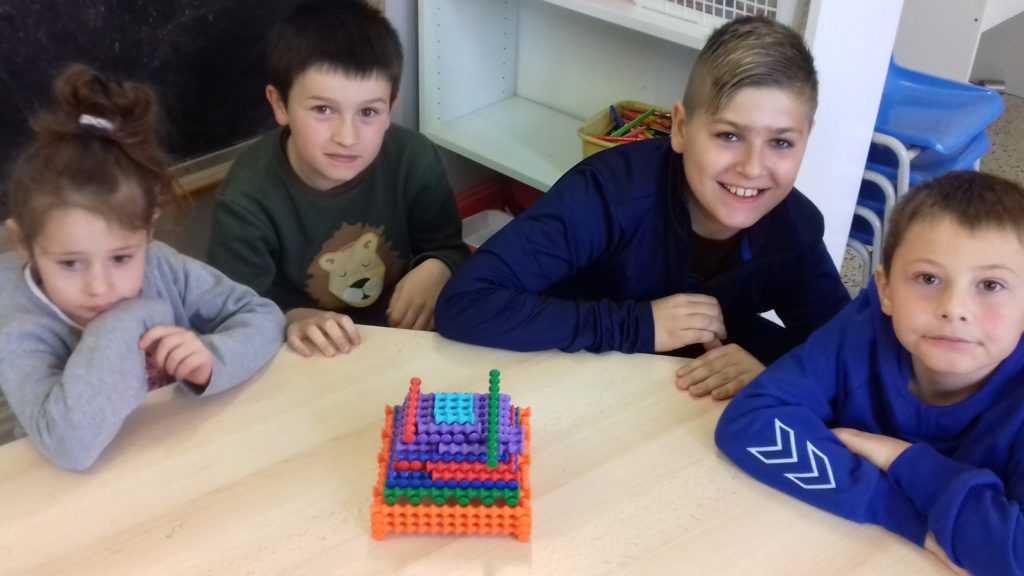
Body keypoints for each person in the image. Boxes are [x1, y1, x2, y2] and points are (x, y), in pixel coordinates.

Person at [434, 16, 849, 399]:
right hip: (562, 374)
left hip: (673, 399)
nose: (753, 167)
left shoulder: (795, 230)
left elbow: (850, 354)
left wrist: (774, 374)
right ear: (681, 128)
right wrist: (640, 325)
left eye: (781, 142)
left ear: (806, 139)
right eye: (728, 136)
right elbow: (465, 303)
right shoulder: (608, 193)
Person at [715, 171, 1024, 576]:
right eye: (928, 278)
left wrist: (900, 458)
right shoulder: (863, 328)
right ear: (886, 290)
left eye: (991, 285)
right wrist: (901, 513)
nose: (954, 308)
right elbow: (749, 423)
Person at [0, 65, 286, 472]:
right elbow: (69, 445)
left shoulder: (161, 266)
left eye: (121, 258)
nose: (99, 287)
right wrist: (128, 318)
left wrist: (211, 360)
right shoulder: (17, 322)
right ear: (24, 243)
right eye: (70, 263)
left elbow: (263, 318)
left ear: (148, 230)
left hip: (177, 457)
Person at [207, 0, 467, 358]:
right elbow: (230, 312)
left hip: (403, 344)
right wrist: (291, 319)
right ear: (280, 105)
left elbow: (449, 248)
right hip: (309, 357)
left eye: (368, 112)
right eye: (323, 109)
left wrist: (438, 266)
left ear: (390, 110)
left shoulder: (414, 158)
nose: (347, 137)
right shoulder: (246, 199)